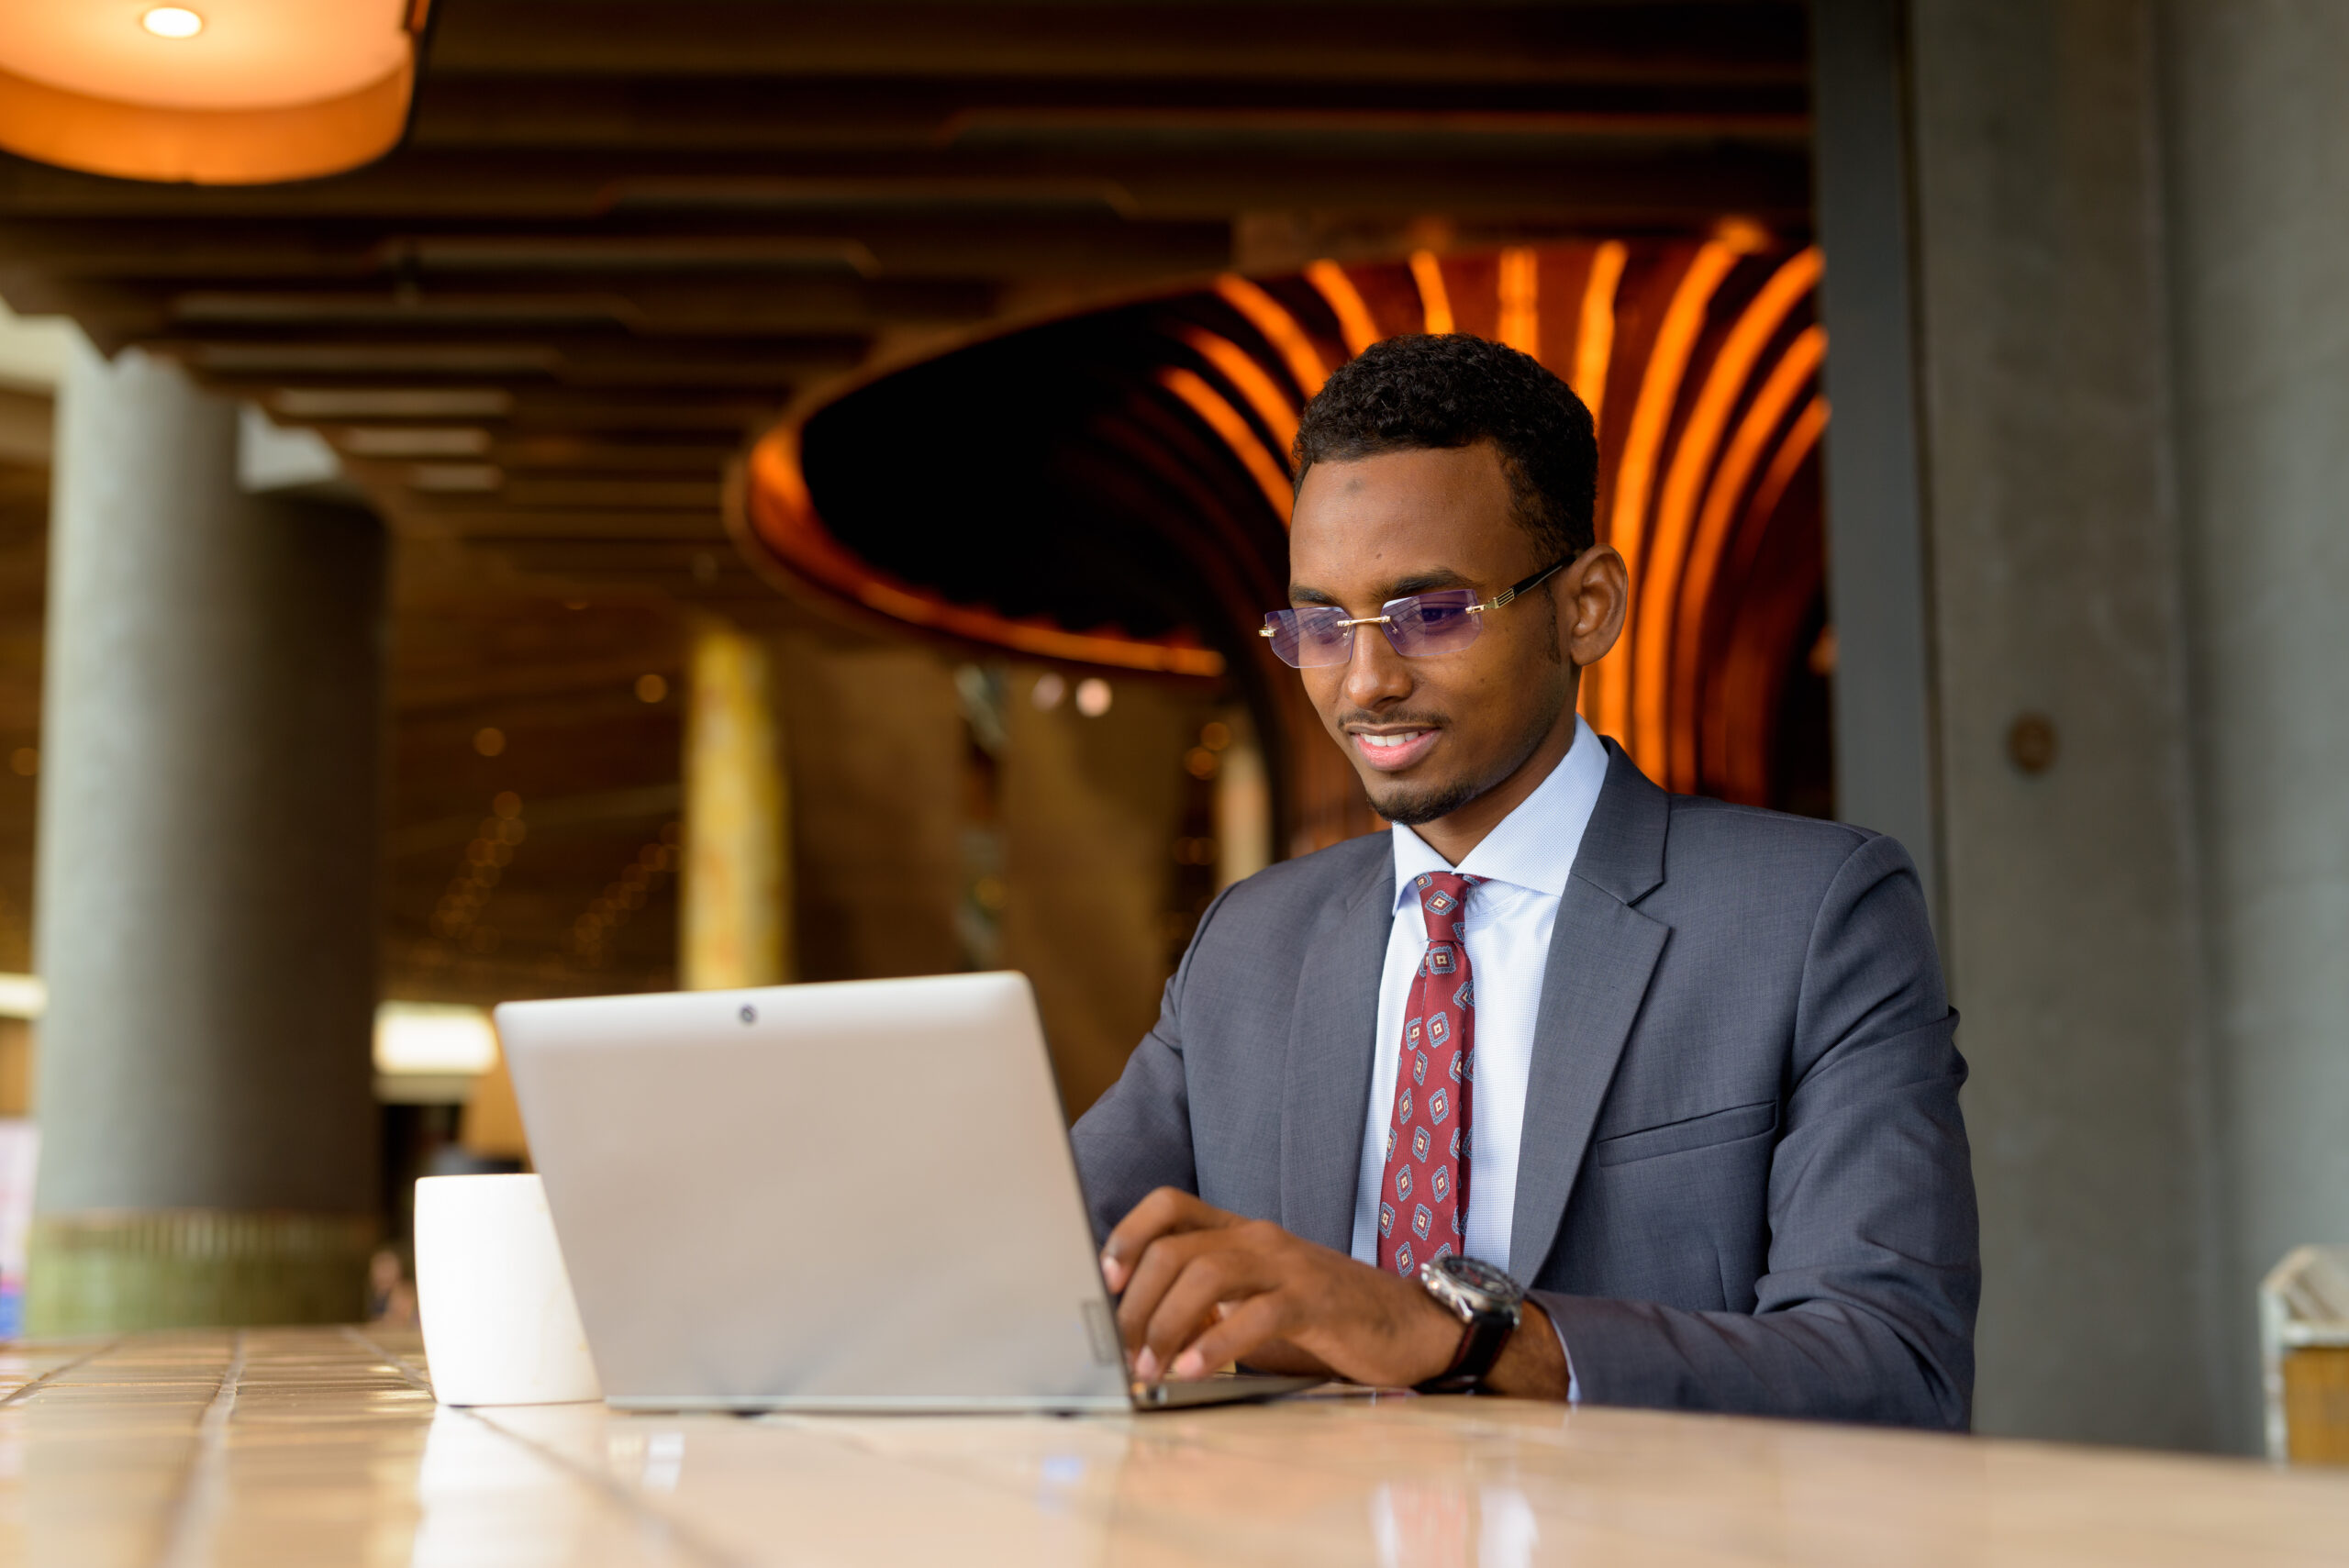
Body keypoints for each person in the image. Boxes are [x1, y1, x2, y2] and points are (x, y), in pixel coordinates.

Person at [1070, 333, 1977, 1427]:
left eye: (1431, 612)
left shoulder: (1812, 916)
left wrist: (1458, 1339)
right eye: (1321, 623)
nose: (1366, 680)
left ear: (1585, 606)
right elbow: (1035, 1266)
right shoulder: (1249, 945)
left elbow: (1893, 1365)